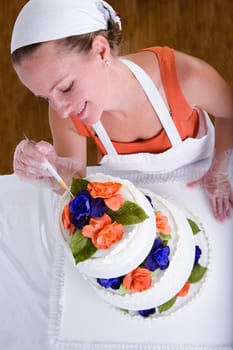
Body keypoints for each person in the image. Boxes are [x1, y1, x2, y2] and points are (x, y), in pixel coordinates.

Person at [11, 0, 233, 221]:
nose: (61, 110)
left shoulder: (185, 77)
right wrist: (53, 173)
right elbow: (76, 182)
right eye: (46, 98)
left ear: (100, 51)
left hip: (204, 186)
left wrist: (219, 172)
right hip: (140, 207)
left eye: (66, 87)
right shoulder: (69, 113)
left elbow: (229, 113)